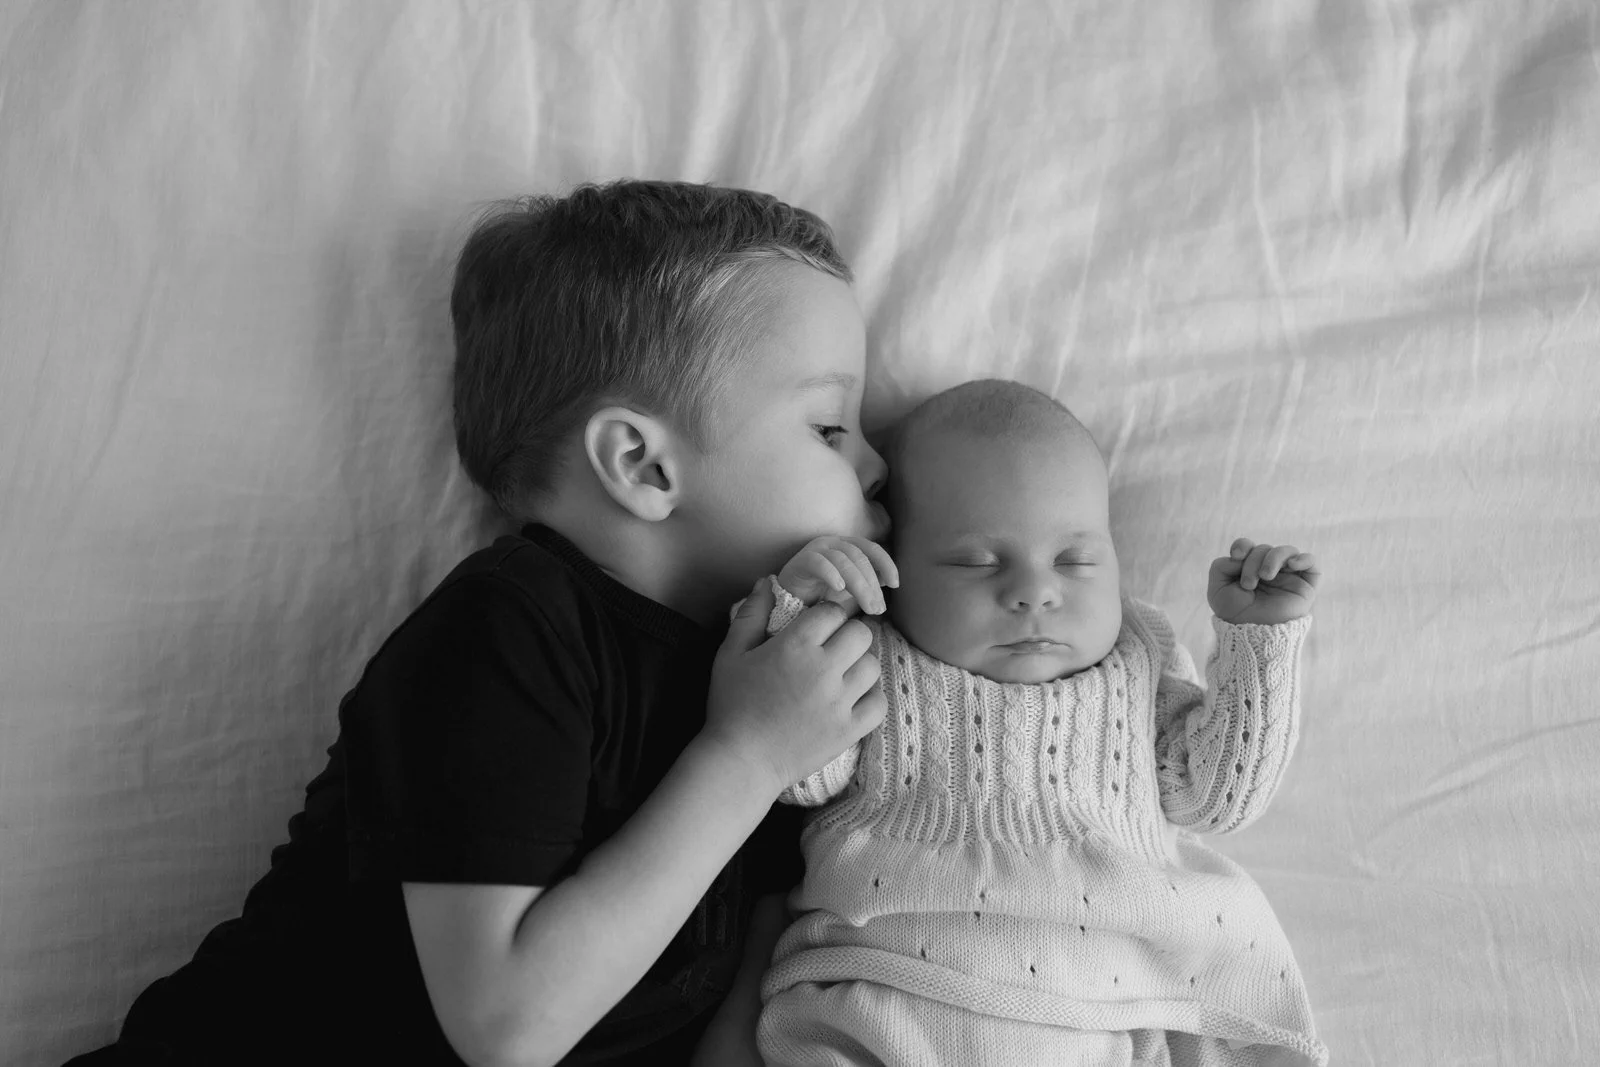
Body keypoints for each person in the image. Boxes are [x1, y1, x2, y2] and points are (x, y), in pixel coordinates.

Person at [65, 180, 895, 1067]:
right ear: (643, 465)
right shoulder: (511, 625)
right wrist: (748, 756)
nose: (881, 463)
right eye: (831, 426)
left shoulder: (759, 676)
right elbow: (504, 1025)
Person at [750, 379, 1331, 1067]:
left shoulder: (1138, 660)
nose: (1034, 590)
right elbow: (800, 773)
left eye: (1074, 560)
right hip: (887, 998)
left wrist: (1258, 640)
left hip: (1111, 1009)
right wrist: (801, 613)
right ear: (891, 562)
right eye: (978, 561)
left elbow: (1216, 796)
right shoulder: (871, 652)